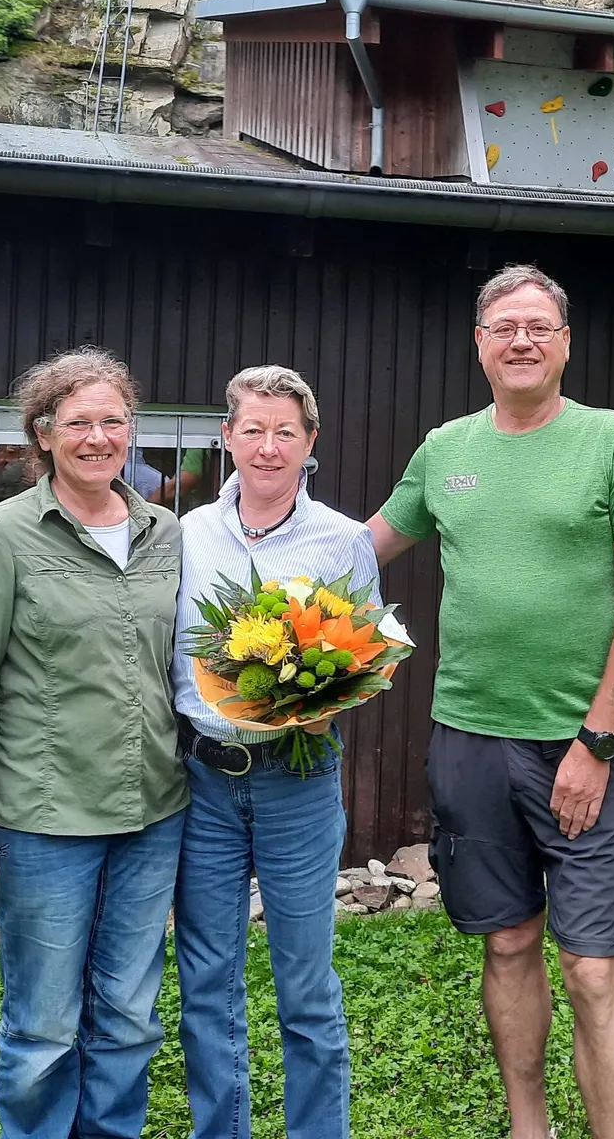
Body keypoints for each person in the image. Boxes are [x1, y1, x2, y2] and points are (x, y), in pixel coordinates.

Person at [368, 264, 614, 1139]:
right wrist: (251, 550)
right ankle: (527, 1126)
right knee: (506, 943)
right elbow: (364, 551)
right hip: (468, 739)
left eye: (539, 326)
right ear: (479, 344)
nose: (521, 340)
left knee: (589, 966)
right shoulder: (446, 448)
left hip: (582, 744)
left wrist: (597, 740)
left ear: (566, 344)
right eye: (504, 326)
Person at [0, 347, 188, 1139]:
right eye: (78, 422)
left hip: (153, 812)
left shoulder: (166, 534)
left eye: (114, 421)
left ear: (131, 430)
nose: (98, 437)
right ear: (43, 434)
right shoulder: (2, 537)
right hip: (43, 821)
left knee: (132, 1015)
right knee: (42, 1028)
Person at [172, 365, 379, 1139]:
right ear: (227, 437)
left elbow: (364, 658)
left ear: (310, 442)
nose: (267, 446)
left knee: (307, 983)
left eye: (284, 431)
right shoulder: (184, 534)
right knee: (207, 981)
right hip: (204, 780)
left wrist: (320, 698)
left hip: (299, 781)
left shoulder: (345, 540)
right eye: (252, 429)